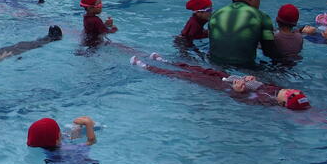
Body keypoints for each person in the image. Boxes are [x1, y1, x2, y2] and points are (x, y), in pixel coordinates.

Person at [130, 53, 310, 110]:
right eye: (295, 91)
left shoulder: (266, 100)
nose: (290, 91)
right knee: (198, 69)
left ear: (283, 103)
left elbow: (245, 100)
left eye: (290, 95)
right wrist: (252, 78)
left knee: (186, 76)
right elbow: (259, 84)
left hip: (224, 86)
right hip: (229, 77)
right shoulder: (274, 89)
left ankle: (146, 66)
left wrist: (238, 92)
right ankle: (165, 61)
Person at [208, 0, 278, 66]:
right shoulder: (262, 17)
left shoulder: (216, 14)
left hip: (213, 64)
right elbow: (269, 51)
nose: (259, 2)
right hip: (244, 66)